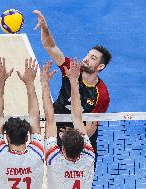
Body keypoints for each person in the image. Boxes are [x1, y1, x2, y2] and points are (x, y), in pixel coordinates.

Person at [33, 10, 112, 157]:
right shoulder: (71, 69)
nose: (86, 58)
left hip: (81, 137)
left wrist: (72, 140)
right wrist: (45, 28)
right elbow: (51, 47)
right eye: (88, 54)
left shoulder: (102, 94)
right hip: (58, 127)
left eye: (93, 58)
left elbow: (91, 126)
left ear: (100, 67)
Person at [41, 60, 95, 189]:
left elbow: (50, 119)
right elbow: (77, 117)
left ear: (62, 147)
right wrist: (74, 81)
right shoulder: (88, 156)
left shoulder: (55, 159)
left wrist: (45, 83)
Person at [0, 57, 44, 189]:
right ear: (27, 137)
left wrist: (0, 83)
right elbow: (35, 119)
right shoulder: (36, 154)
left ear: (7, 137)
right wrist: (30, 84)